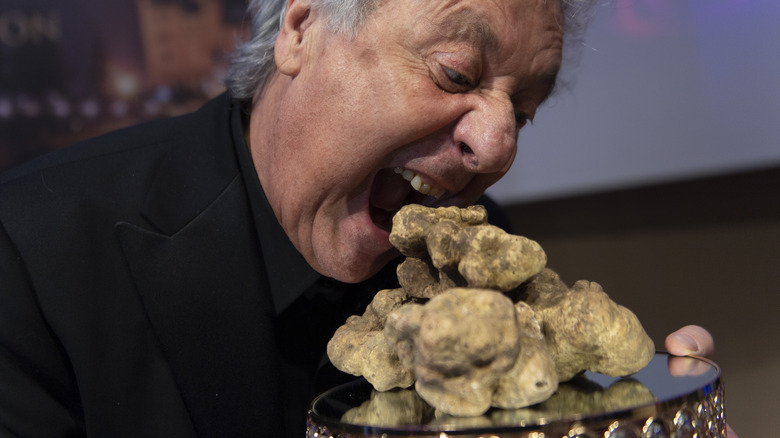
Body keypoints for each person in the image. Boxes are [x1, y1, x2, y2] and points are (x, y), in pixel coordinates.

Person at [0, 0, 736, 436]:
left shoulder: (483, 266)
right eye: (455, 73)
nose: (498, 144)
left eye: (525, 110)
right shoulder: (30, 253)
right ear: (300, 26)